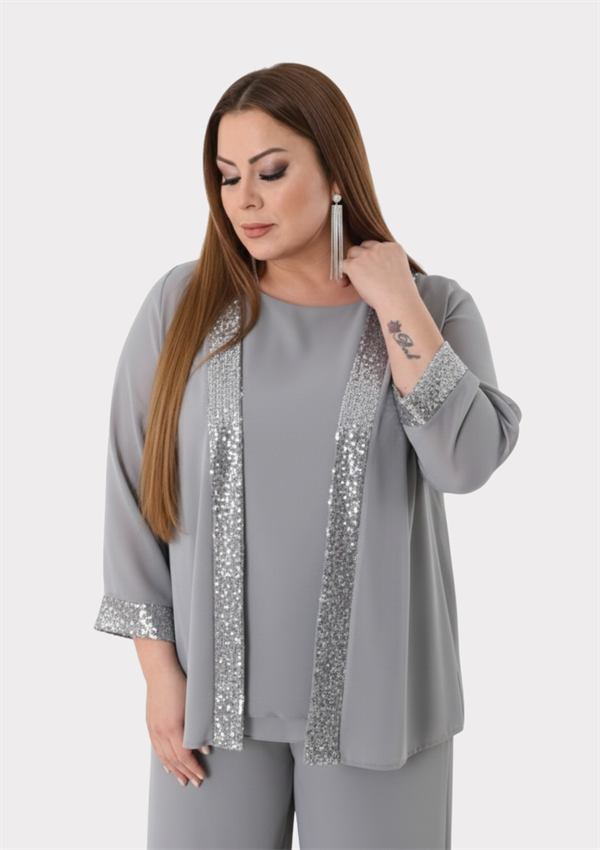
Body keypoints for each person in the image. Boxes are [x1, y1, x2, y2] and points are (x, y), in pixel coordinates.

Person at [94, 62, 521, 850]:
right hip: (210, 710)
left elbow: (464, 464)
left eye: (270, 171)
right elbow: (133, 490)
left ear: (335, 173)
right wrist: (158, 676)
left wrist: (394, 298)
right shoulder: (182, 307)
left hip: (384, 711)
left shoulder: (435, 307)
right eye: (227, 177)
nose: (244, 200)